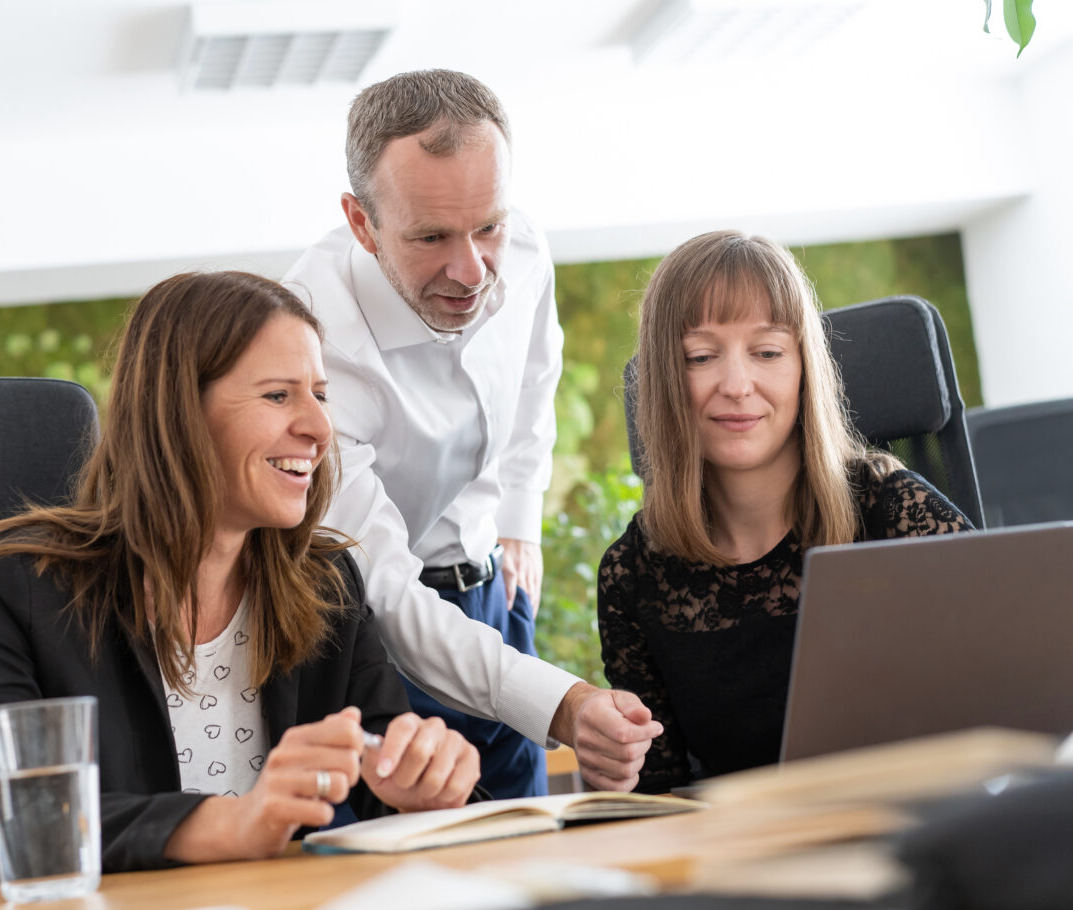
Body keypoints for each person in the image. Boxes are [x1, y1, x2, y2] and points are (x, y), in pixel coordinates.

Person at [0, 271, 480, 878]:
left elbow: (388, 764)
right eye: (278, 396)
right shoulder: (25, 583)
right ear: (178, 413)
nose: (320, 428)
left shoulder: (326, 585)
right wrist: (234, 822)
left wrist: (425, 784)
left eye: (320, 394)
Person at [285, 69, 662, 800]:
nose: (471, 270)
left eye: (488, 226)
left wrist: (519, 518)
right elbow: (385, 590)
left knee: (527, 830)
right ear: (361, 224)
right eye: (431, 237)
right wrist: (564, 703)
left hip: (495, 589)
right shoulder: (311, 345)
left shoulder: (523, 249)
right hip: (372, 631)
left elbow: (535, 379)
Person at [597, 229, 974, 793]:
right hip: (748, 841)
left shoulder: (895, 512)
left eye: (768, 352)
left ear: (804, 369)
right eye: (701, 357)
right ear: (663, 381)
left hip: (917, 823)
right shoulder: (633, 576)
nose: (737, 385)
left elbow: (1009, 686)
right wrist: (613, 768)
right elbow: (657, 795)